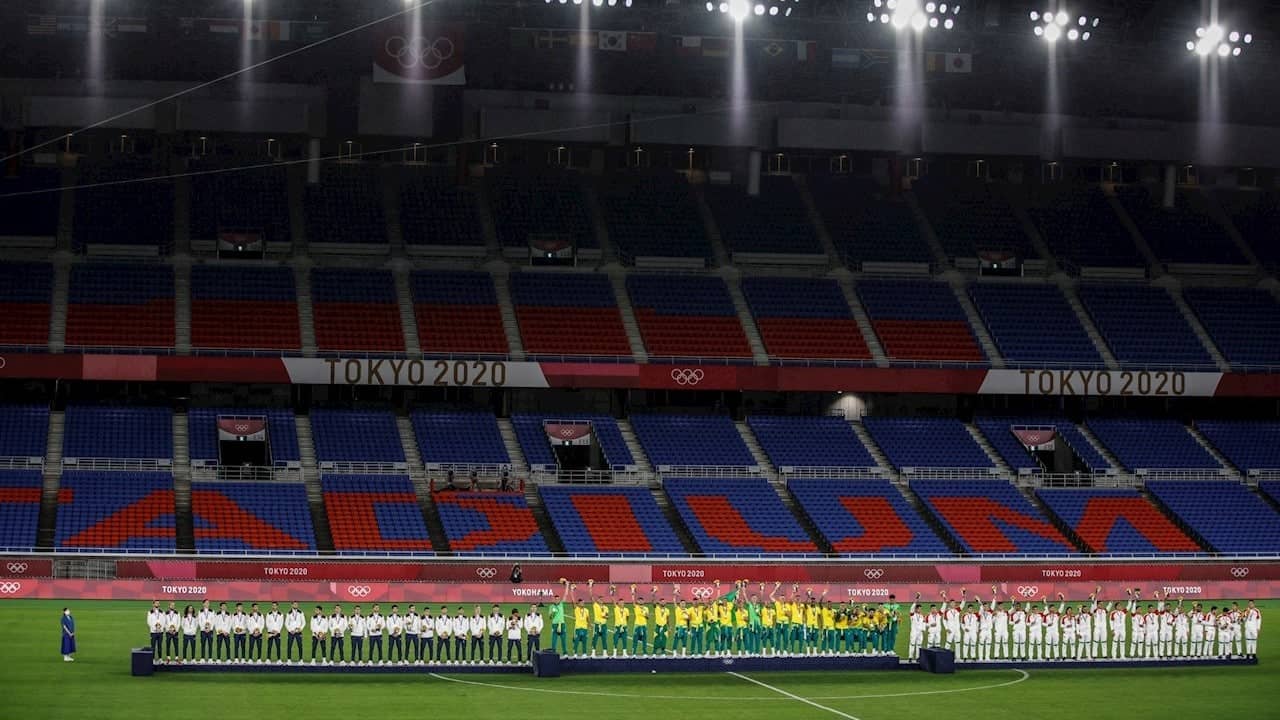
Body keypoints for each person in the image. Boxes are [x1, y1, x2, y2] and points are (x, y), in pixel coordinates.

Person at [588, 580, 609, 657]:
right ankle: (593, 653)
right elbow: (591, 596)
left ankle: (605, 653)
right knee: (595, 639)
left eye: (602, 599)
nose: (601, 600)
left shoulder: (606, 607)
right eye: (600, 599)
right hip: (597, 624)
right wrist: (590, 586)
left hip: (603, 625)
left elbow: (607, 616)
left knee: (604, 639)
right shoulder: (595, 605)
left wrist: (605, 616)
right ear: (598, 600)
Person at [548, 581, 569, 655]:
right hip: (555, 625)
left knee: (564, 640)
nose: (557, 600)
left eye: (558, 599)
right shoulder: (551, 607)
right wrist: (553, 613)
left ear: (559, 600)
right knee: (554, 641)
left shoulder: (561, 604)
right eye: (555, 599)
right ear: (554, 599)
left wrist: (567, 585)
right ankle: (553, 654)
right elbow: (550, 617)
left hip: (562, 624)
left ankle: (565, 653)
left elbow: (566, 595)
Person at [571, 593, 590, 657]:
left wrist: (589, 625)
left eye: (583, 603)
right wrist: (572, 592)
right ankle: (575, 653)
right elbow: (573, 602)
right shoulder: (576, 609)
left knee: (584, 641)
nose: (583, 604)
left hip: (584, 628)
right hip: (578, 628)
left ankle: (584, 653)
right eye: (581, 603)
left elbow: (588, 618)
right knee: (576, 641)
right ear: (578, 604)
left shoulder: (587, 610)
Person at [908, 594, 925, 662]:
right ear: (916, 609)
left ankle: (918, 657)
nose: (919, 610)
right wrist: (916, 599)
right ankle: (910, 657)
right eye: (918, 608)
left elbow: (923, 623)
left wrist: (923, 629)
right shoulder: (912, 615)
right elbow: (912, 608)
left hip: (920, 632)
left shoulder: (922, 616)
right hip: (914, 632)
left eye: (920, 609)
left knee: (919, 645)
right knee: (912, 644)